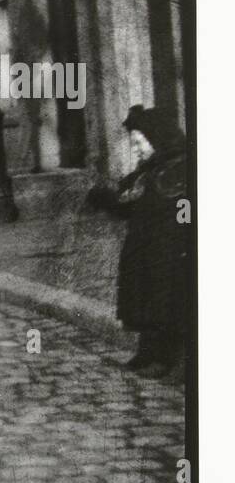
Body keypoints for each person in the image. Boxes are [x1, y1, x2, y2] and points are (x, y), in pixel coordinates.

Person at [88, 105, 190, 377]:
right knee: (144, 299)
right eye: (133, 143)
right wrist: (106, 199)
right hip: (147, 249)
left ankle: (164, 359)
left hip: (168, 252)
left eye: (138, 142)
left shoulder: (178, 170)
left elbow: (183, 212)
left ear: (155, 138)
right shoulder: (150, 170)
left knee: (163, 303)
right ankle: (145, 354)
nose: (135, 148)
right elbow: (131, 205)